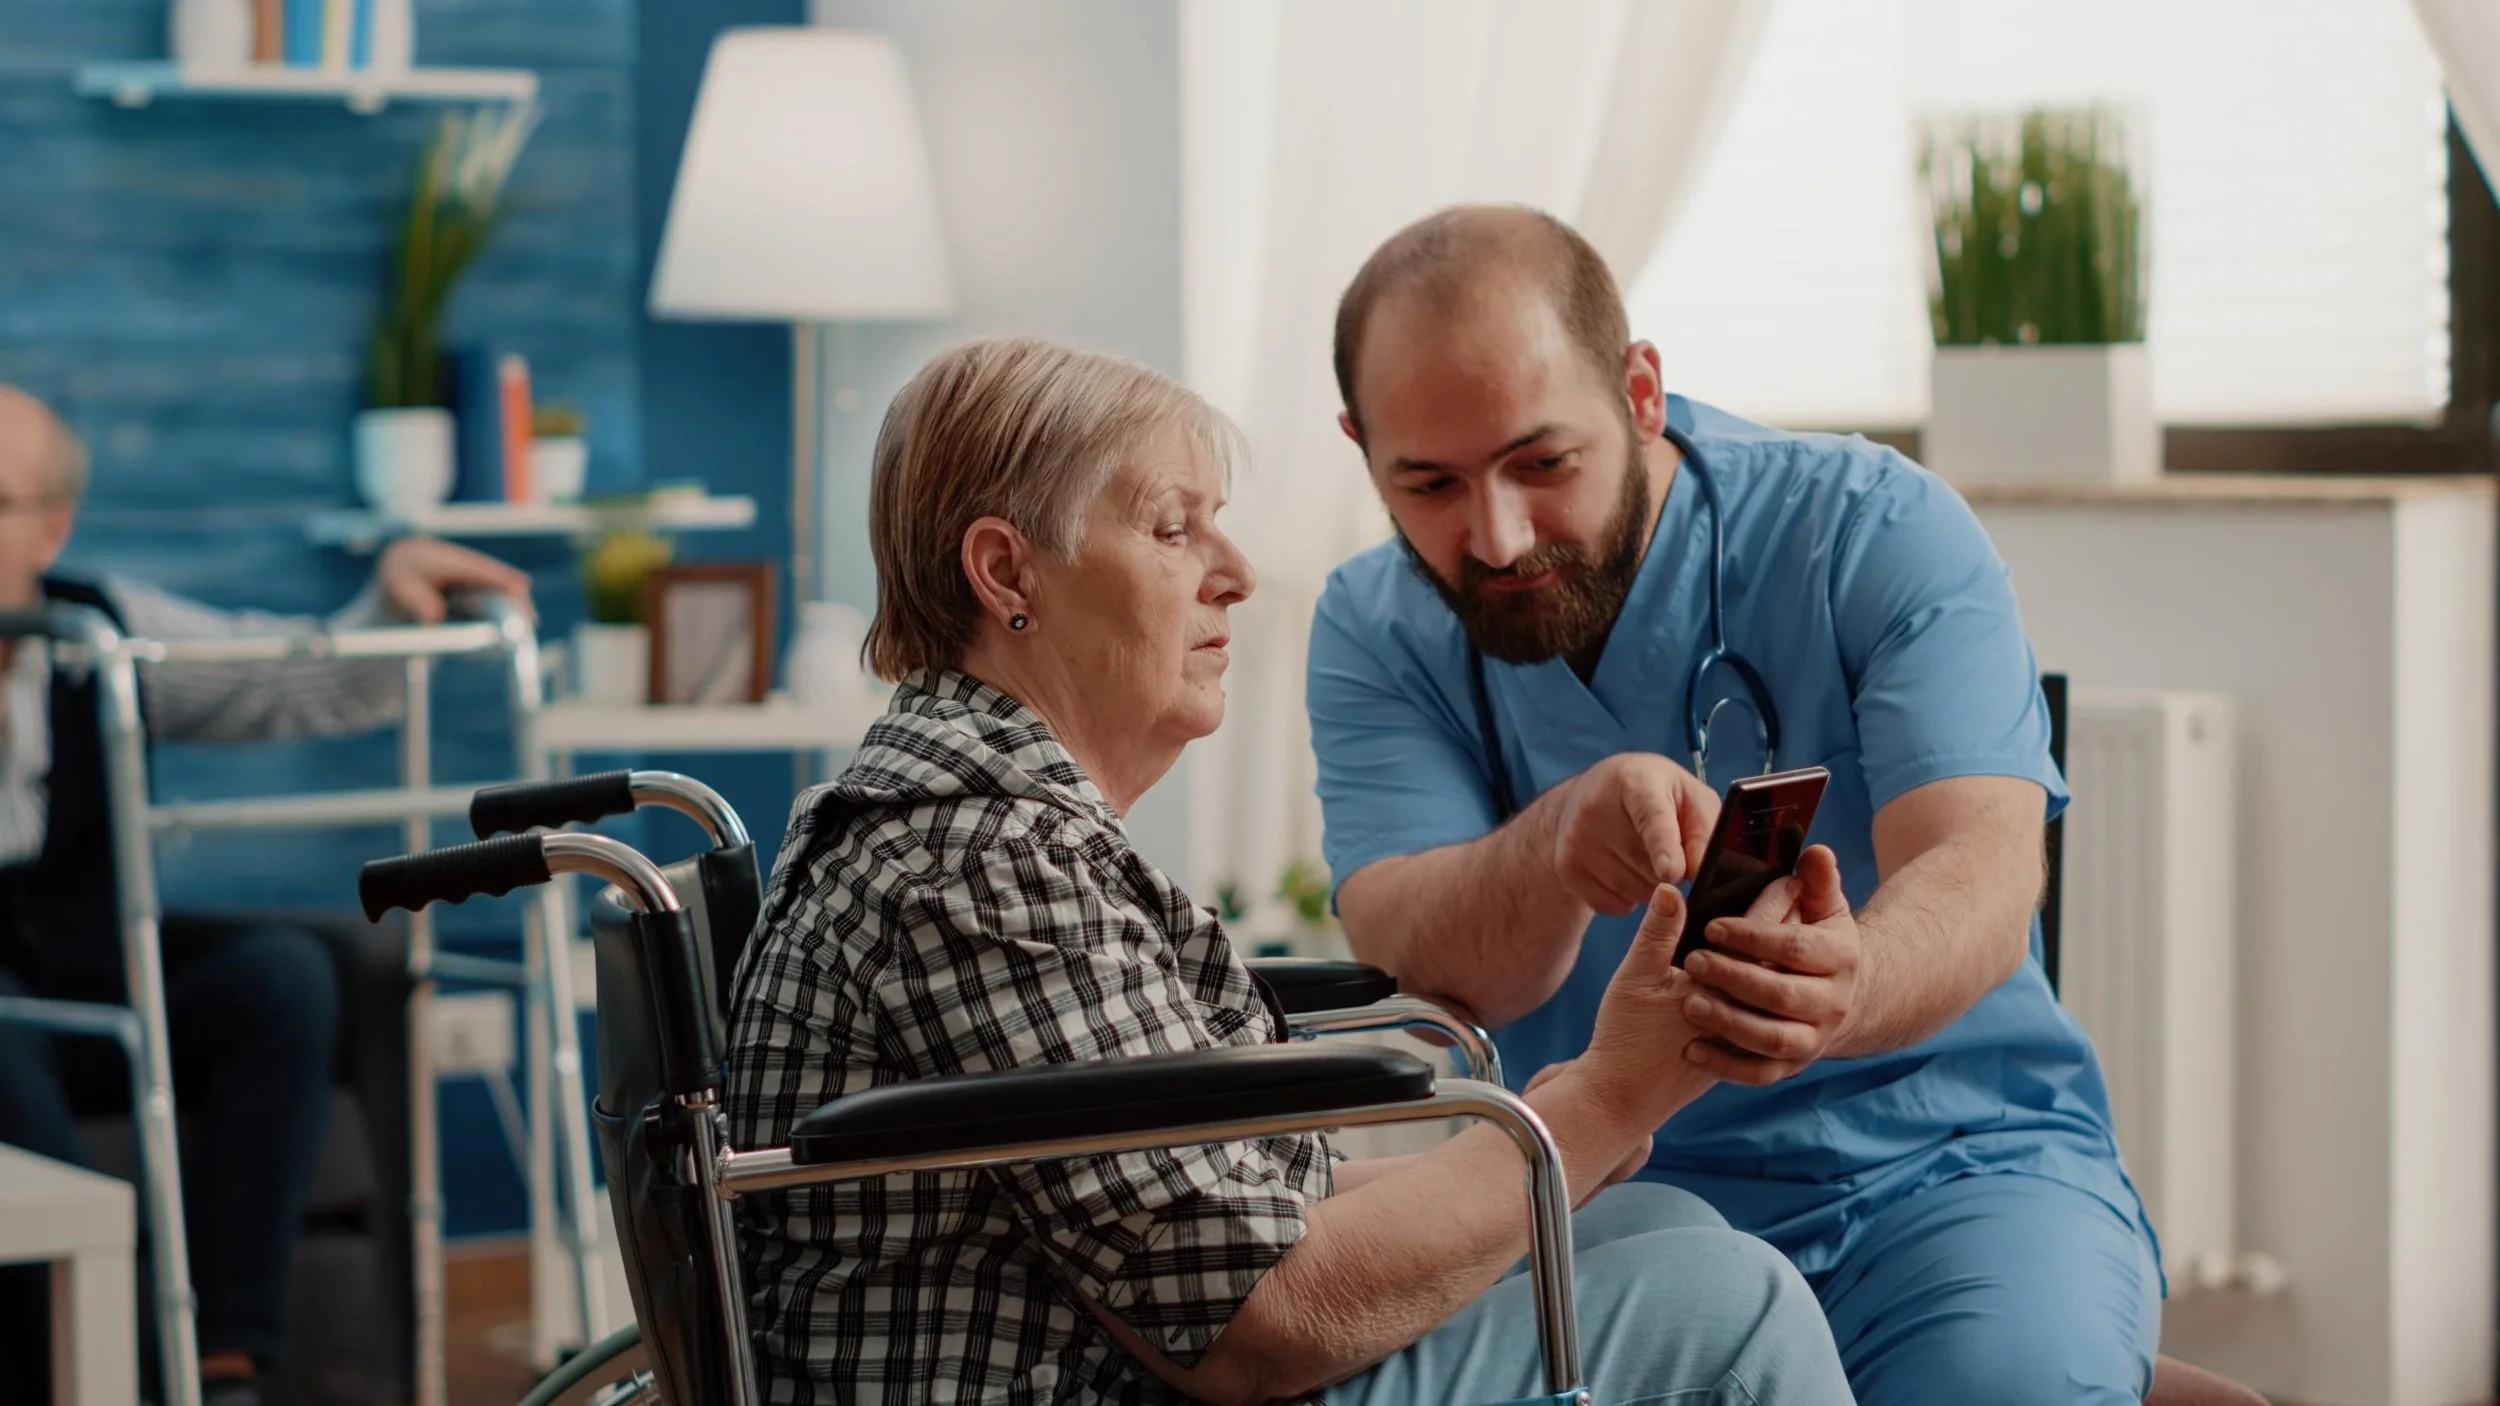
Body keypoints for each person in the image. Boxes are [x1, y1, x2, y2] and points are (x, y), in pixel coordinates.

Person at [725, 336, 1857, 1405]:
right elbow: (1257, 1319)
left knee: (1653, 1226)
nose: (1236, 573)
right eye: (1175, 531)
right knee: (1732, 1311)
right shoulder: (973, 859)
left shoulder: (983, 826)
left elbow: (1239, 1216)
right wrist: (1605, 1097)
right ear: (1004, 569)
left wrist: (1567, 1132)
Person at [1304, 205, 2159, 1406]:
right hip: (1615, 1196)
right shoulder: (1373, 626)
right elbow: (1420, 953)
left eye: (1542, 463)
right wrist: (1552, 844)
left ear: (1640, 390)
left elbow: (1983, 860)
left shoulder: (1869, 528)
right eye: (1430, 483)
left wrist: (1846, 979)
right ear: (1361, 447)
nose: (1495, 537)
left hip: (1947, 1161)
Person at [0, 383, 532, 1406]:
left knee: (280, 976)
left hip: (85, 964)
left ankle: (227, 1357)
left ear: (53, 525)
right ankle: (116, 1372)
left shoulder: (103, 630)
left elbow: (295, 682)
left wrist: (392, 592)